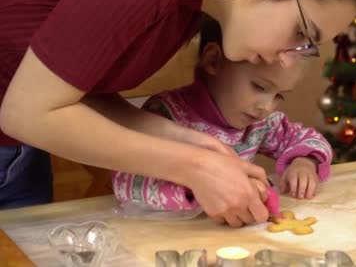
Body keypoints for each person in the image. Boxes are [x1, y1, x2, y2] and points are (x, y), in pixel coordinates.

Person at [0, 0, 356, 226]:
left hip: (17, 154)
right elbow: (26, 112)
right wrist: (192, 167)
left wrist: (188, 142)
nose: (287, 61)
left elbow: (73, 91)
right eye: (301, 33)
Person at [113, 16, 332, 216]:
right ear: (213, 60)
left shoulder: (261, 124)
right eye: (259, 87)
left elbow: (306, 139)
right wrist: (201, 187)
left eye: (279, 96)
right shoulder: (165, 115)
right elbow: (127, 185)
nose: (267, 107)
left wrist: (304, 163)